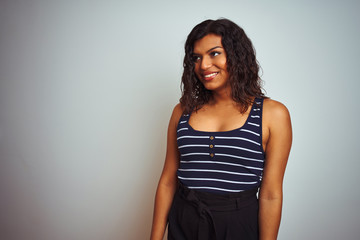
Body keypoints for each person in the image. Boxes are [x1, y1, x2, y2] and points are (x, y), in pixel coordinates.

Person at [150, 18, 292, 240]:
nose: (203, 65)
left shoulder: (273, 114)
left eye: (214, 53)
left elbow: (271, 194)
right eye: (196, 58)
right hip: (184, 219)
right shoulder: (182, 111)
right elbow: (168, 180)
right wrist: (155, 238)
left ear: (237, 55)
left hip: (238, 223)